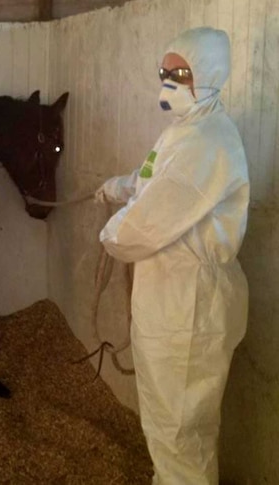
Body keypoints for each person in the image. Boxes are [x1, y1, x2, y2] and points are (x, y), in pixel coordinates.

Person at [94, 27, 249, 484]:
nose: (169, 82)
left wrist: (110, 234)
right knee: (172, 431)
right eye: (165, 72)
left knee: (179, 435)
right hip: (171, 302)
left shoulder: (206, 141)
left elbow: (144, 225)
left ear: (208, 74)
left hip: (187, 308)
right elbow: (152, 184)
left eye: (180, 73)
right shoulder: (184, 132)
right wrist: (116, 187)